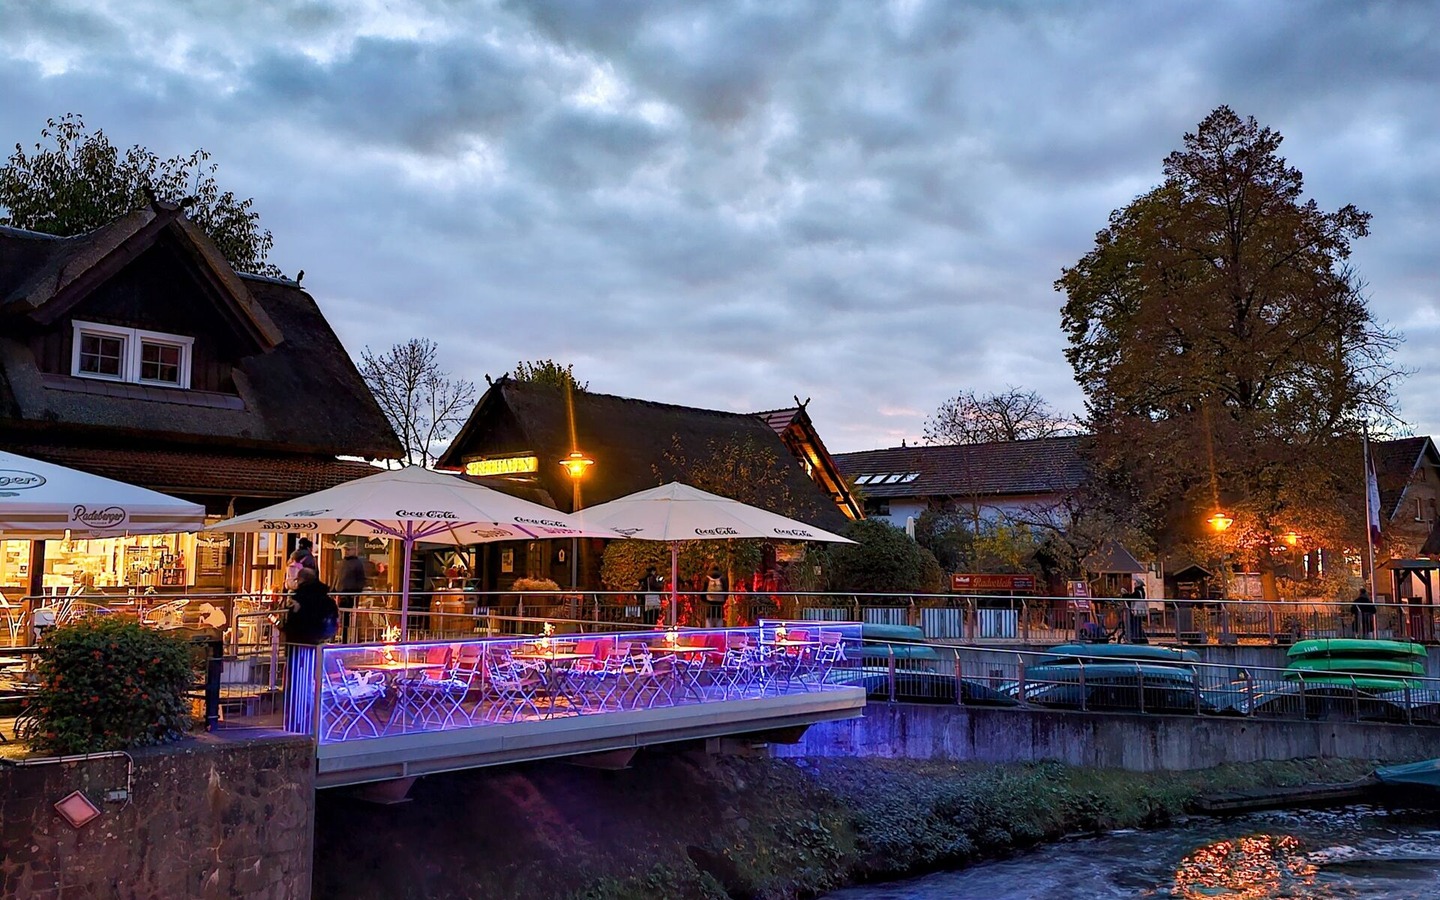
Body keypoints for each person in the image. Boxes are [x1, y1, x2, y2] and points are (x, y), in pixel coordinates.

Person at [282, 567, 338, 645]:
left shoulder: (300, 597)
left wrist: (286, 626)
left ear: (301, 580)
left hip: (303, 636)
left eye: (297, 580)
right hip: (323, 632)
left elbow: (295, 621)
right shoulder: (325, 596)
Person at [336, 546, 368, 643]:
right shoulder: (343, 563)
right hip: (341, 593)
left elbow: (361, 579)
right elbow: (338, 577)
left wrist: (356, 592)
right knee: (341, 617)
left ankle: (346, 639)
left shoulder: (356, 563)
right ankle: (341, 638)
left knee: (348, 618)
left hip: (350, 594)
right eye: (345, 550)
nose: (346, 552)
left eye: (348, 550)